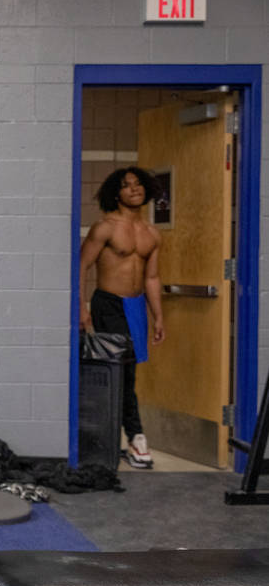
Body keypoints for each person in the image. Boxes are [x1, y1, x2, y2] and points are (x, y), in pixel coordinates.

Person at [79, 166, 165, 469]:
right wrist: (81, 306)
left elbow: (152, 278)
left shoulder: (152, 233)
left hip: (136, 306)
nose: (134, 189)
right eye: (127, 186)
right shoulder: (105, 227)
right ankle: (134, 435)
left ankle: (128, 438)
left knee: (130, 372)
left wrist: (158, 316)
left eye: (139, 184)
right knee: (118, 373)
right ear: (117, 192)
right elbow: (82, 266)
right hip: (108, 304)